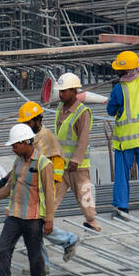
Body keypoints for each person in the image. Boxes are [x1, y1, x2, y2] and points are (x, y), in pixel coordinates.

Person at [0, 123, 55, 276]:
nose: (13, 148)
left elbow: (50, 194)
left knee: (35, 255)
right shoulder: (18, 161)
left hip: (33, 218)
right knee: (2, 250)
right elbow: (10, 188)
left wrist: (49, 220)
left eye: (15, 145)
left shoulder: (44, 164)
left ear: (25, 142)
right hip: (15, 214)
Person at [16, 100, 79, 263]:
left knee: (35, 225)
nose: (25, 126)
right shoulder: (30, 137)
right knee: (34, 225)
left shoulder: (45, 138)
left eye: (28, 122)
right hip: (33, 187)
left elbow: (57, 164)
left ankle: (46, 260)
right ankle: (48, 258)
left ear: (38, 120)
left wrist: (50, 186)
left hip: (45, 188)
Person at [106, 50, 139, 220]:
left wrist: (113, 94)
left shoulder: (118, 89)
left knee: (122, 175)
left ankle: (122, 208)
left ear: (122, 71)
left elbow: (110, 111)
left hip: (126, 141)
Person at [51, 73, 100, 232]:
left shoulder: (82, 112)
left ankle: (92, 222)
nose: (60, 94)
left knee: (85, 196)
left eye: (64, 91)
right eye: (60, 91)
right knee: (53, 195)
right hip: (61, 163)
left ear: (73, 91)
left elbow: (83, 139)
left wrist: (76, 160)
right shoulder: (60, 107)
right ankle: (44, 220)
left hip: (78, 166)